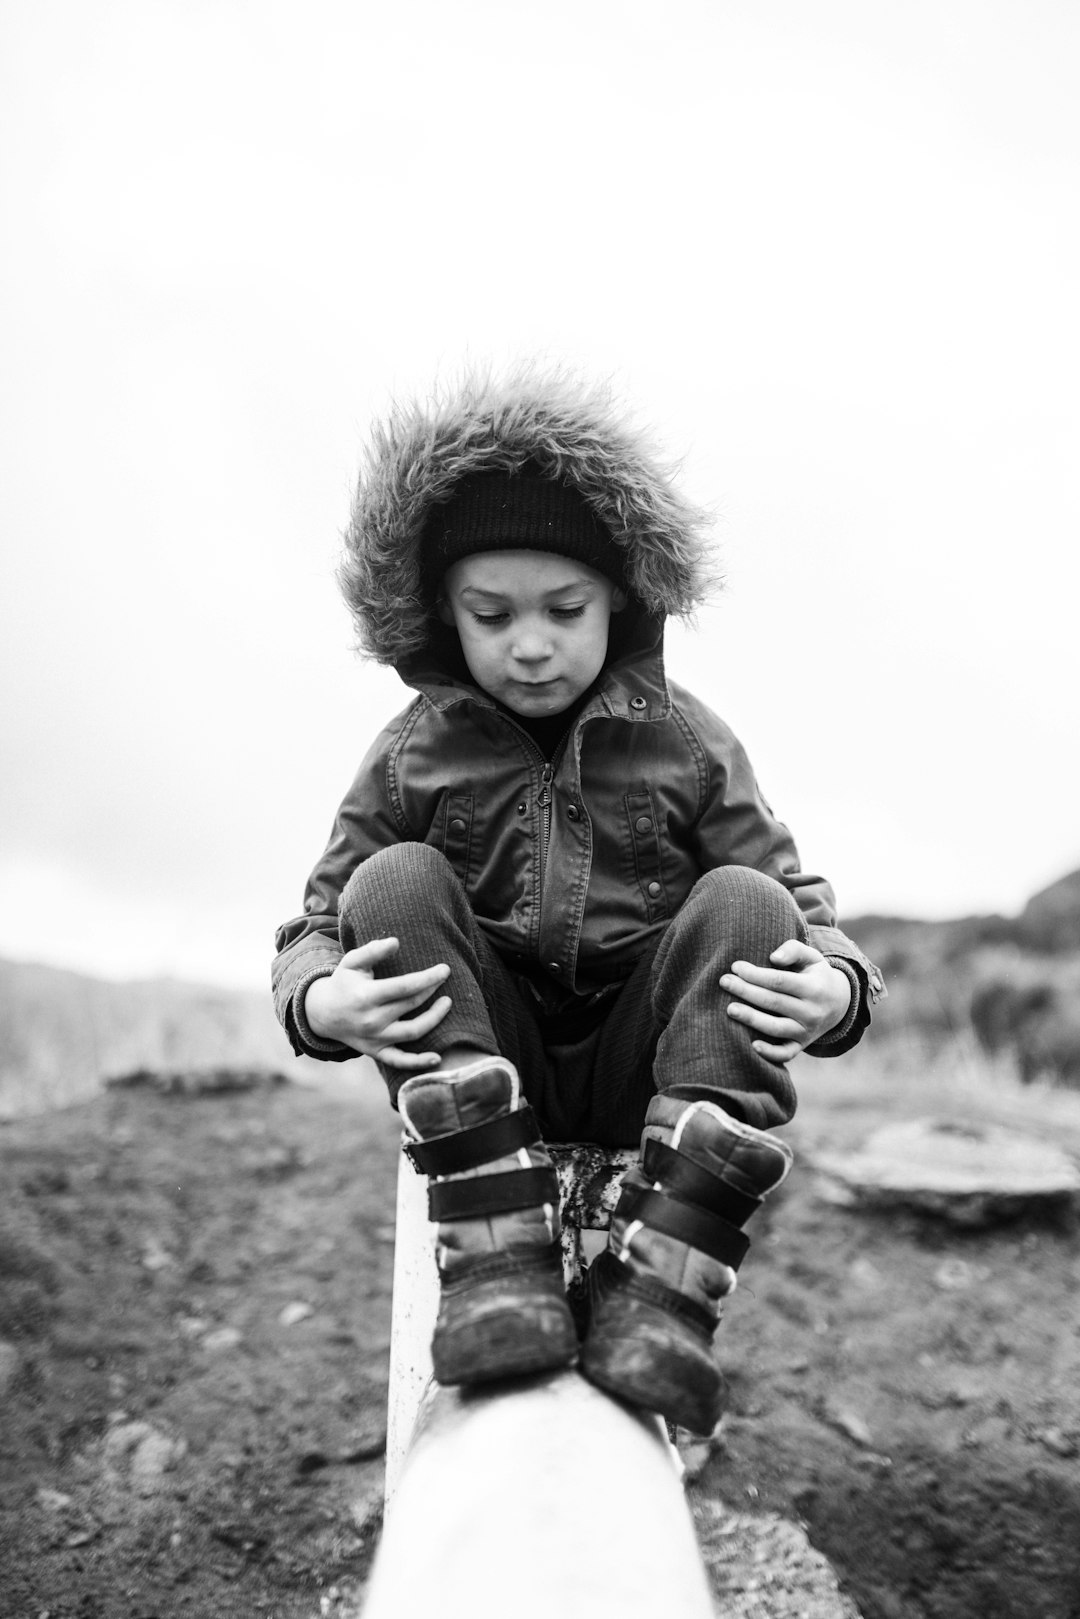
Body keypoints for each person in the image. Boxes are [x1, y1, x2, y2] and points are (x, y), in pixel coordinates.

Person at [272, 368, 885, 1435]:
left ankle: (662, 1281)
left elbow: (796, 897)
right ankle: (500, 1263)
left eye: (565, 608)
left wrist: (837, 986)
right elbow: (318, 923)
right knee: (392, 880)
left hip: (651, 1062)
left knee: (743, 898)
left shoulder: (687, 741)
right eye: (491, 613)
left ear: (620, 602)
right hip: (482, 1072)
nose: (530, 641)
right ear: (440, 616)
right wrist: (320, 999)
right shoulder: (413, 751)